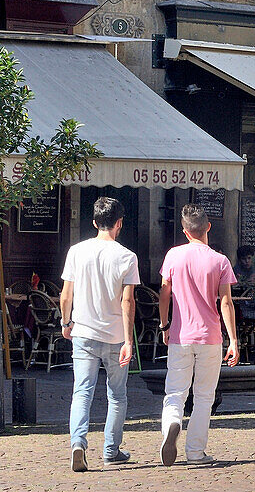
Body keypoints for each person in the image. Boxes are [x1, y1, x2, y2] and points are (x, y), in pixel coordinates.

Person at [58, 196, 139, 472]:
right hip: (115, 336)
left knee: (82, 391)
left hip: (83, 333)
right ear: (119, 223)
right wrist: (129, 340)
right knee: (117, 395)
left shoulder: (76, 251)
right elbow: (127, 302)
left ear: (94, 222)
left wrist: (65, 323)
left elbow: (66, 295)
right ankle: (111, 450)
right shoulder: (127, 257)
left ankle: (78, 443)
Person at [158, 204, 241, 466]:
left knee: (175, 391)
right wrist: (234, 340)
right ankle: (195, 451)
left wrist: (164, 325)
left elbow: (164, 292)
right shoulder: (220, 260)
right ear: (208, 227)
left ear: (185, 231)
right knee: (204, 395)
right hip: (210, 336)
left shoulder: (173, 255)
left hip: (180, 335)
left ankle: (172, 421)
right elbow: (226, 302)